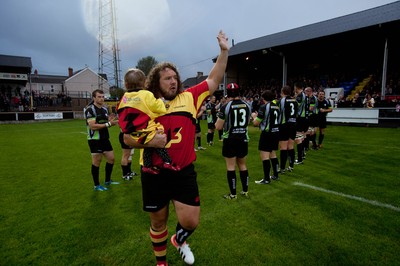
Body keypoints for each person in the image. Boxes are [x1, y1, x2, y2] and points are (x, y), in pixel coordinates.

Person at [121, 30, 229, 266]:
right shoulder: (144, 101)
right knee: (158, 223)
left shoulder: (190, 97)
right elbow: (126, 139)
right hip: (153, 173)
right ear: (155, 83)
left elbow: (214, 79)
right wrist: (149, 142)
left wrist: (223, 51)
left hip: (183, 171)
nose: (173, 81)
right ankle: (161, 263)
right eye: (167, 78)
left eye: (174, 77)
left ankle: (179, 239)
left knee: (191, 221)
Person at [117, 69, 180, 175]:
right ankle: (168, 162)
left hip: (132, 132)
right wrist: (161, 101)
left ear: (126, 84)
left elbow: (120, 111)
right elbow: (160, 108)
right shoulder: (146, 94)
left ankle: (147, 165)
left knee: (148, 145)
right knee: (158, 140)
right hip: (145, 128)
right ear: (145, 82)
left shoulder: (124, 97)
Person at [215, 83, 252, 199]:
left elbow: (218, 127)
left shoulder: (225, 106)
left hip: (230, 139)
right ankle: (245, 191)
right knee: (242, 165)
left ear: (227, 93)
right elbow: (249, 120)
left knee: (231, 167)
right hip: (243, 138)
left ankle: (233, 194)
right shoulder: (247, 105)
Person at [84, 89, 120, 191]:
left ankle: (107, 180)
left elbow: (104, 123)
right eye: (99, 97)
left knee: (111, 159)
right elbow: (93, 126)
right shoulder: (90, 110)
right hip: (94, 140)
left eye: (103, 96)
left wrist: (111, 121)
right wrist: (108, 124)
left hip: (105, 138)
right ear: (94, 98)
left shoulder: (104, 109)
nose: (101, 98)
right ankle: (96, 185)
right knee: (97, 162)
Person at [117, 69, 148, 180]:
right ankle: (125, 174)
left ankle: (129, 172)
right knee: (125, 155)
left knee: (130, 155)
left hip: (132, 133)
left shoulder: (126, 100)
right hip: (126, 134)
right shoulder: (126, 100)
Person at [253, 90, 281, 184]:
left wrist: (254, 117)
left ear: (263, 98)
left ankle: (266, 179)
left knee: (265, 156)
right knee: (273, 154)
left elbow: (256, 123)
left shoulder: (264, 107)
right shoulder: (277, 106)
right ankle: (276, 175)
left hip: (267, 133)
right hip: (276, 132)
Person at [277, 85, 298, 173]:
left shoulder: (282, 101)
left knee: (283, 147)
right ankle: (291, 166)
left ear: (282, 92)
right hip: (293, 124)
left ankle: (282, 168)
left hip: (284, 125)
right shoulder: (295, 101)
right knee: (291, 146)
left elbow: (279, 113)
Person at [294, 82, 309, 165]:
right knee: (303, 137)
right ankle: (302, 155)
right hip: (305, 118)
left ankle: (299, 159)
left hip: (300, 119)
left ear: (296, 88)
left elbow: (296, 106)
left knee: (298, 138)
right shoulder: (305, 95)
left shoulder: (300, 96)